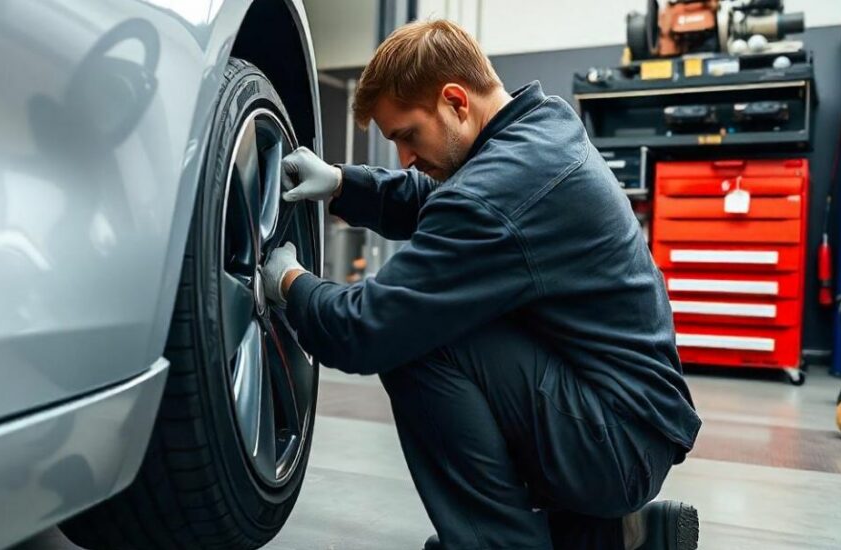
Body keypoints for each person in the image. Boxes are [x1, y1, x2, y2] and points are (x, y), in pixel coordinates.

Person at [259, 19, 702, 550]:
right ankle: (611, 537)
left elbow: (366, 328)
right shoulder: (537, 130)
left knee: (417, 337)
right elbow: (440, 200)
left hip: (612, 447)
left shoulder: (498, 193)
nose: (403, 157)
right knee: (435, 314)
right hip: (626, 425)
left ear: (455, 101)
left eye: (406, 136)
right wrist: (341, 184)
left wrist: (291, 282)